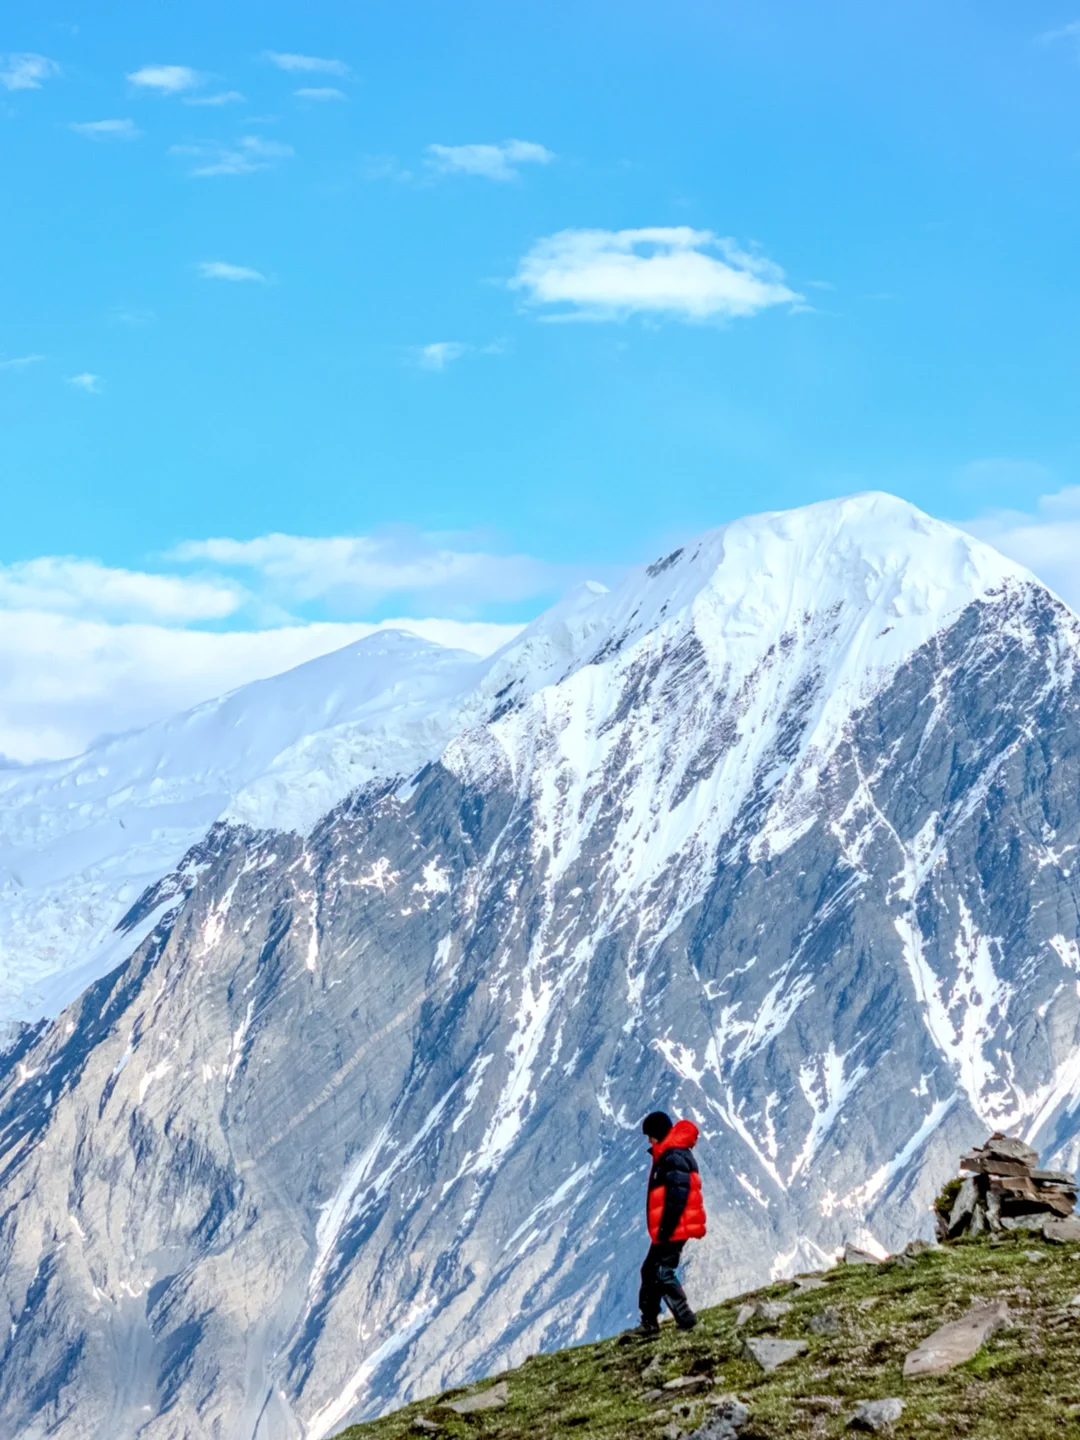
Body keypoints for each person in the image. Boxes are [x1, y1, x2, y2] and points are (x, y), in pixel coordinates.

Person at [635, 1110, 706, 1336]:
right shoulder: (668, 1154)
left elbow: (677, 1197)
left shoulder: (673, 1156)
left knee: (662, 1272)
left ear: (658, 1133)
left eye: (650, 1135)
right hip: (669, 1229)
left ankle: (686, 1320)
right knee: (650, 1270)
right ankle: (649, 1322)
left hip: (673, 1228)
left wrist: (666, 1228)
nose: (648, 1140)